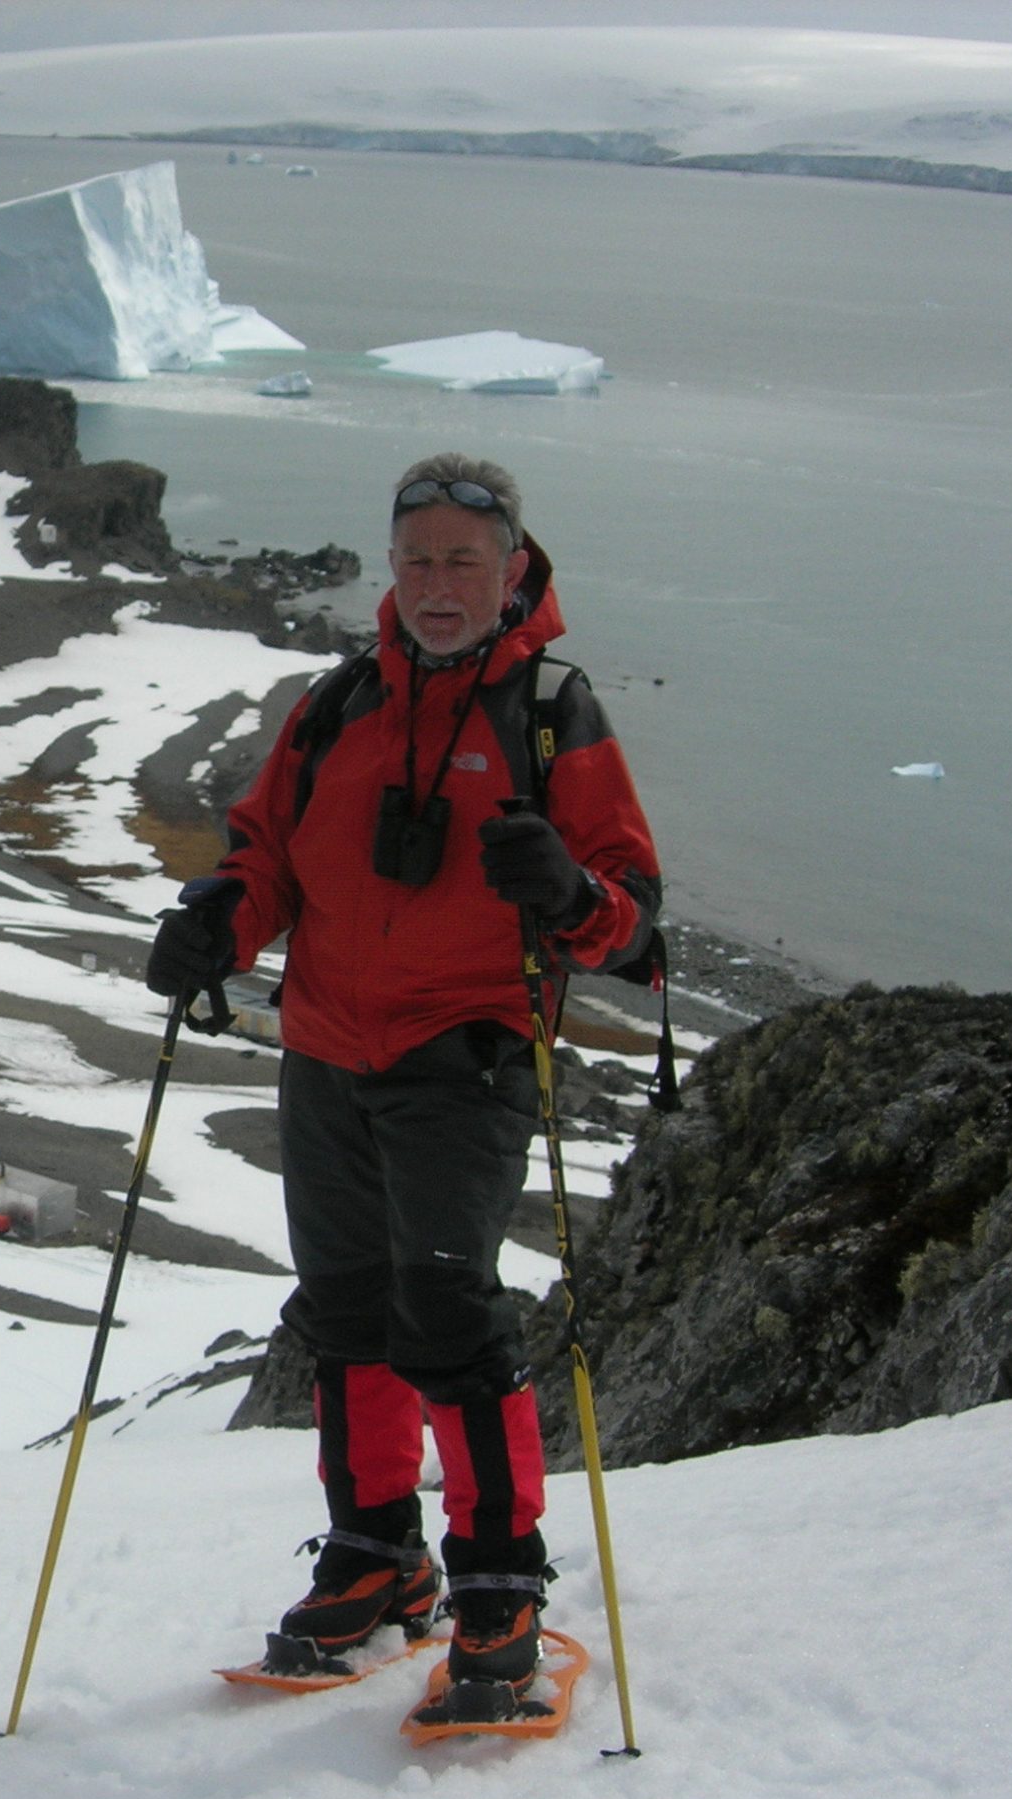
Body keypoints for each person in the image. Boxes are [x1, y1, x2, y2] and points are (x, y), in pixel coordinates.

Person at [146, 453, 661, 1701]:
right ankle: (377, 1556)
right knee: (348, 1312)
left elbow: (638, 927)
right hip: (325, 1053)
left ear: (509, 572)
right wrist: (221, 917)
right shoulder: (337, 704)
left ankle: (497, 1584)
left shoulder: (551, 714)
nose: (438, 585)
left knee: (449, 1318)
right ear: (391, 566)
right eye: (419, 559)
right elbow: (267, 851)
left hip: (462, 1056)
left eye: (462, 564)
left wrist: (572, 894)